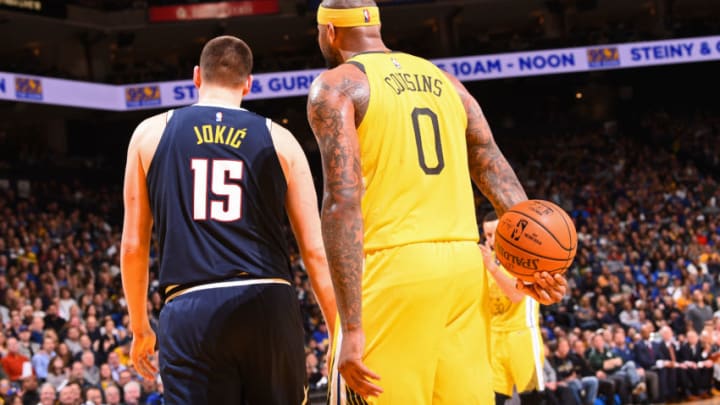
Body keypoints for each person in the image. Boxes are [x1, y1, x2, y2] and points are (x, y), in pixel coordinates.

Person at [307, 1, 567, 402]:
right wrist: (531, 259)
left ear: (329, 31)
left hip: (394, 269)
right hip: (463, 270)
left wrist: (352, 327)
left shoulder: (337, 85)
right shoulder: (447, 81)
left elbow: (341, 201)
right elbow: (490, 161)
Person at [120, 35, 336, 404]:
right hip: (267, 300)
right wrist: (337, 327)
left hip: (191, 305)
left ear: (196, 77)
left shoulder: (149, 134)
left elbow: (133, 245)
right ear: (248, 83)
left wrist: (140, 326)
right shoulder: (281, 139)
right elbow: (315, 250)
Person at [480, 212, 544, 404]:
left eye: (495, 235)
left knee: (531, 399)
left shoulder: (525, 257)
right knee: (493, 399)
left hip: (522, 335)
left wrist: (492, 268)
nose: (490, 241)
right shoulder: (486, 260)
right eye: (487, 235)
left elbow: (516, 295)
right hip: (494, 337)